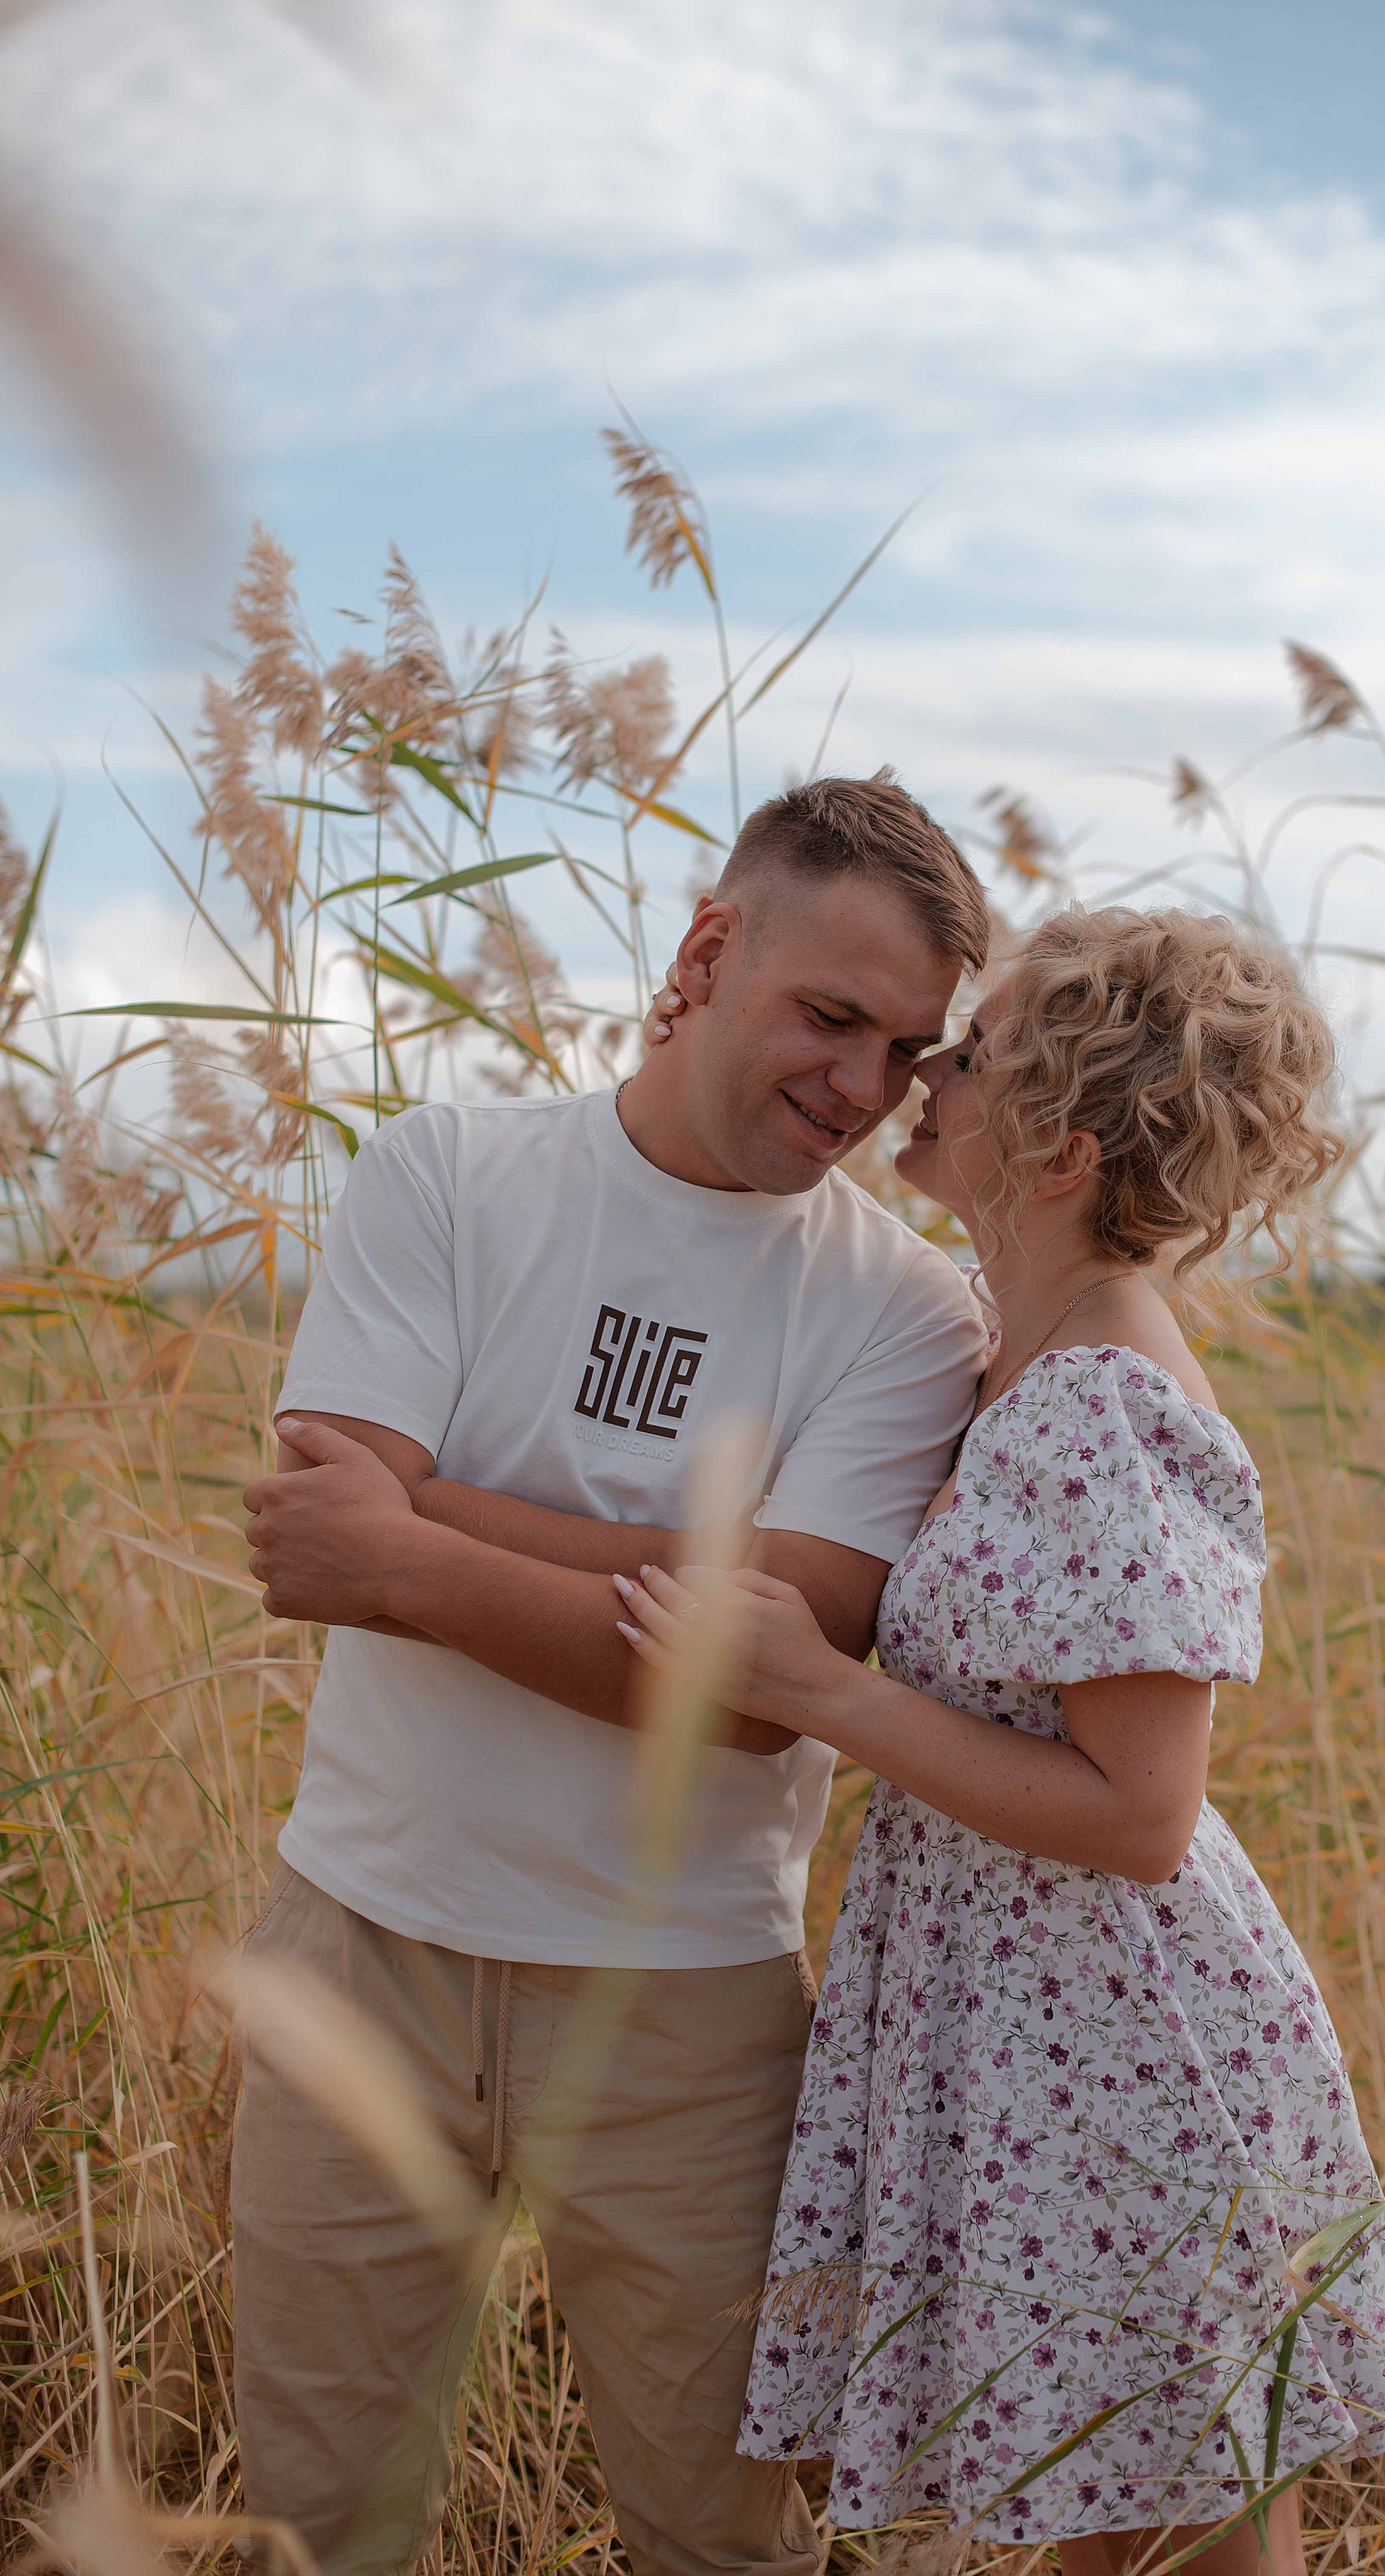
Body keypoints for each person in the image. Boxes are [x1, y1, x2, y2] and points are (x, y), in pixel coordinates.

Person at [234, 773, 994, 2576]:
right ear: (710, 947)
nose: (867, 1091)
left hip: (690, 2000)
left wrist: (424, 1547)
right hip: (364, 1944)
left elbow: (755, 1691)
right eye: (832, 1018)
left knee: (723, 2537)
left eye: (910, 1052)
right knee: (317, 2523)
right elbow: (316, 1528)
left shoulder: (909, 1308)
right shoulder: (448, 1171)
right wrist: (692, 1593)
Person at [622, 907, 1385, 2576]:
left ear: (1056, 1151)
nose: (925, 1069)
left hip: (1112, 2038)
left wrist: (828, 1695)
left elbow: (1142, 1813)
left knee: (1172, 2536)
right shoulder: (1021, 1359)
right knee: (1127, 2525)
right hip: (1037, 2028)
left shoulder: (1098, 1403)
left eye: (970, 1056)